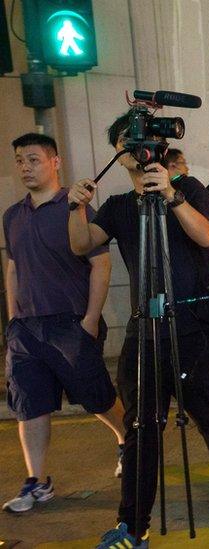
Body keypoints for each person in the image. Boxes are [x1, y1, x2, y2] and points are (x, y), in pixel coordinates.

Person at [69, 113, 209, 547]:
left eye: (143, 138)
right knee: (140, 427)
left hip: (190, 326)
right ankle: (133, 527)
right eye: (125, 140)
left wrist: (170, 193)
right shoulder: (116, 206)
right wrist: (77, 206)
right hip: (143, 330)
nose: (135, 145)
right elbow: (80, 245)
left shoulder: (185, 189)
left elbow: (206, 237)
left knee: (207, 413)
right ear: (118, 152)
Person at [2, 133, 126, 514]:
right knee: (30, 405)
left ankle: (128, 439)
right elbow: (12, 267)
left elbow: (100, 264)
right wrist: (12, 321)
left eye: (34, 159)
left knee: (97, 398)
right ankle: (37, 481)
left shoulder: (76, 207)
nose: (26, 167)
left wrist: (89, 320)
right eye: (20, 160)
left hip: (70, 322)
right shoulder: (12, 215)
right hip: (26, 328)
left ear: (55, 162)